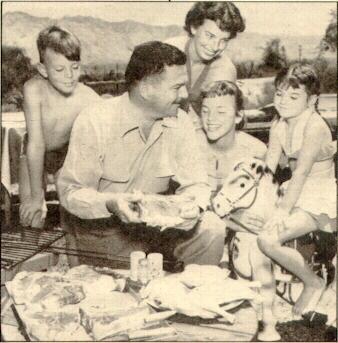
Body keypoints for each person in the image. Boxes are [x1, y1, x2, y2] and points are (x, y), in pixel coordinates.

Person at [57, 41, 225, 267]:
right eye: (177, 87)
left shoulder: (180, 121)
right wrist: (111, 203)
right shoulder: (96, 121)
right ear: (146, 89)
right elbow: (71, 192)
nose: (185, 95)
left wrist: (192, 207)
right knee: (133, 285)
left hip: (161, 227)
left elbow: (197, 182)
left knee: (211, 228)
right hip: (108, 233)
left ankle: (191, 297)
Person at [198, 81, 281, 341]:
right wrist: (233, 219)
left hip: (237, 231)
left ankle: (261, 319)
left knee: (258, 241)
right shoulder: (190, 144)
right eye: (205, 110)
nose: (211, 120)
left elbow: (264, 201)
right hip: (198, 228)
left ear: (238, 116)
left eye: (221, 112)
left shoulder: (255, 151)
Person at [257, 63, 336, 317]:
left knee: (267, 239)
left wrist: (281, 211)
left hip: (319, 198)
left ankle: (312, 282)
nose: (283, 101)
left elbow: (301, 172)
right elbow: (269, 168)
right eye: (279, 94)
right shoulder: (279, 125)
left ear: (312, 100)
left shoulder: (315, 127)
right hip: (293, 192)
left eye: (293, 96)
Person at [19, 25, 100, 228]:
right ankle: (30, 253)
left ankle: (72, 258)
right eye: (59, 69)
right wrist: (38, 196)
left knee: (72, 213)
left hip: (65, 156)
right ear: (43, 69)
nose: (69, 76)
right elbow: (36, 145)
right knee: (31, 213)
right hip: (34, 152)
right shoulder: (33, 90)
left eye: (74, 67)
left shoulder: (87, 96)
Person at [166, 1, 245, 128]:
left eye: (223, 40)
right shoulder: (168, 51)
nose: (215, 47)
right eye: (210, 36)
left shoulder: (224, 69)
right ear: (194, 27)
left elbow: (221, 122)